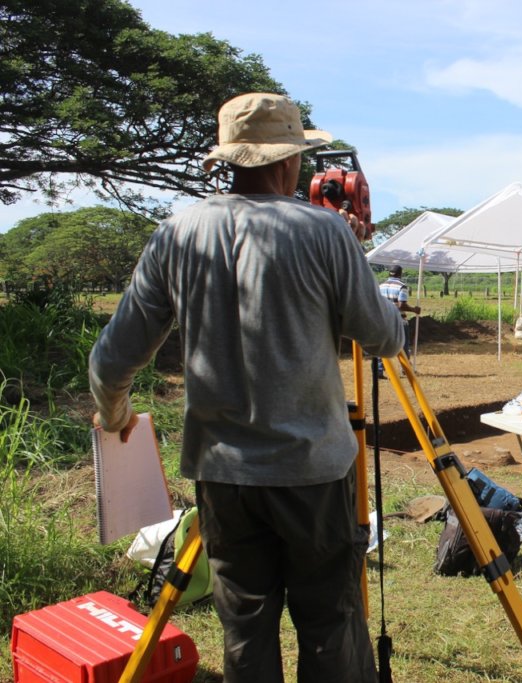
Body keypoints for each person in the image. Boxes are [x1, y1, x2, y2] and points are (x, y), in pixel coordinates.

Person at [89, 93, 405, 682]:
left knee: (245, 629)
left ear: (230, 159)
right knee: (330, 625)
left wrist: (115, 416)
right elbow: (384, 338)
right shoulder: (325, 233)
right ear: (289, 162)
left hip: (223, 475)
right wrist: (352, 257)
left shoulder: (176, 233)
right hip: (311, 472)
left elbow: (112, 359)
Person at [374, 264, 421, 378]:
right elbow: (401, 305)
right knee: (403, 346)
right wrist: (414, 309)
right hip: (398, 320)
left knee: (383, 345)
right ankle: (405, 369)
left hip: (383, 319)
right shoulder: (402, 286)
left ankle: (379, 370)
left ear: (389, 273)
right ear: (401, 273)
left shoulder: (381, 286)